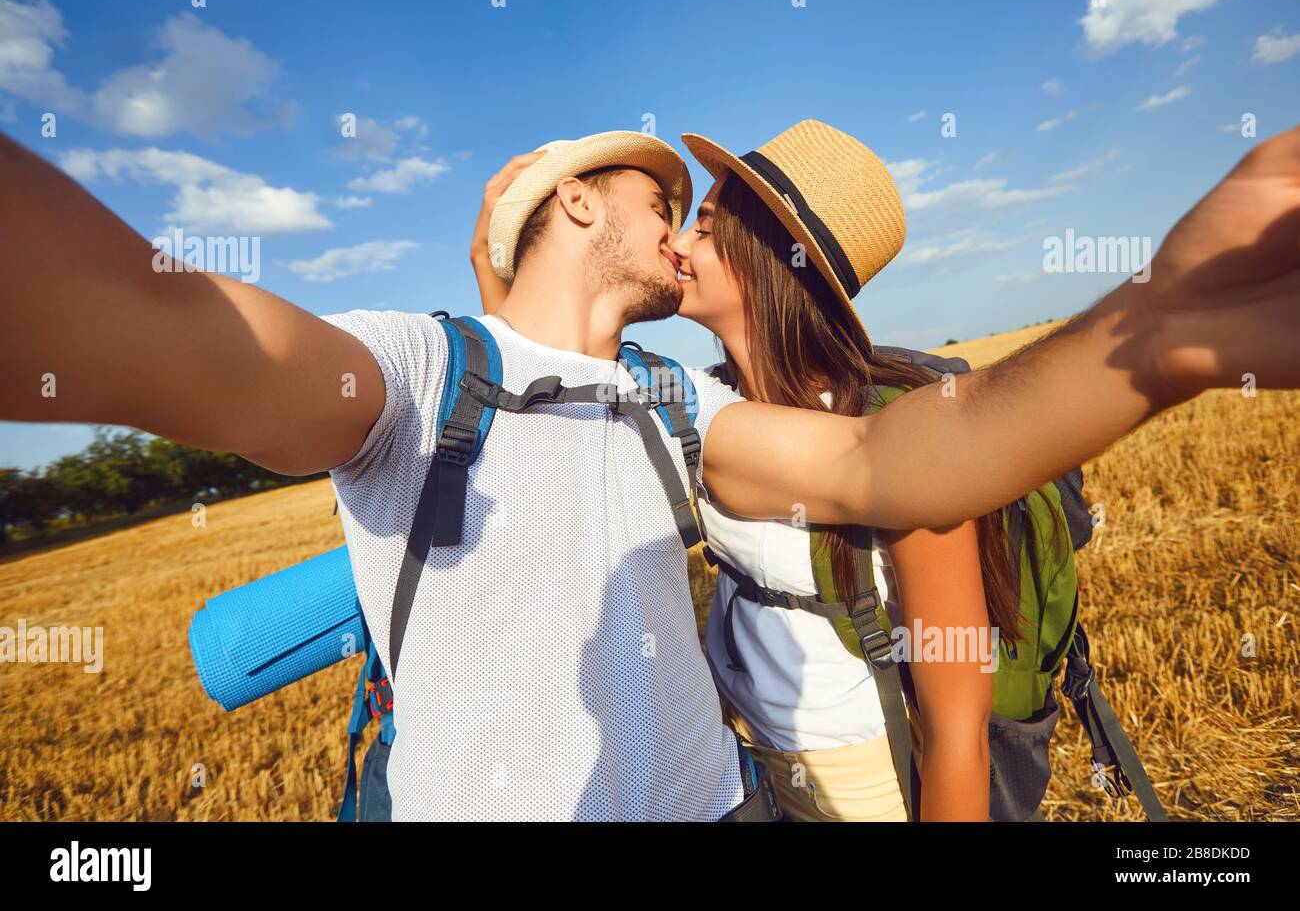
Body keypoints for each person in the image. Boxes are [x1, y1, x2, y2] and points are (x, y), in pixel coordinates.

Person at [1, 119, 1297, 820]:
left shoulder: (674, 408)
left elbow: (904, 463)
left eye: (702, 211)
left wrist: (1169, 326)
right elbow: (169, 329)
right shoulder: (412, 374)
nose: (681, 228)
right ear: (576, 208)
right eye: (659, 197)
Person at [470, 122, 1009, 821]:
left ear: (771, 259)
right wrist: (495, 260)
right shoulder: (697, 410)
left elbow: (957, 728)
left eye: (706, 225)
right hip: (744, 774)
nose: (679, 241)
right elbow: (541, 404)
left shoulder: (886, 433)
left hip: (862, 787)